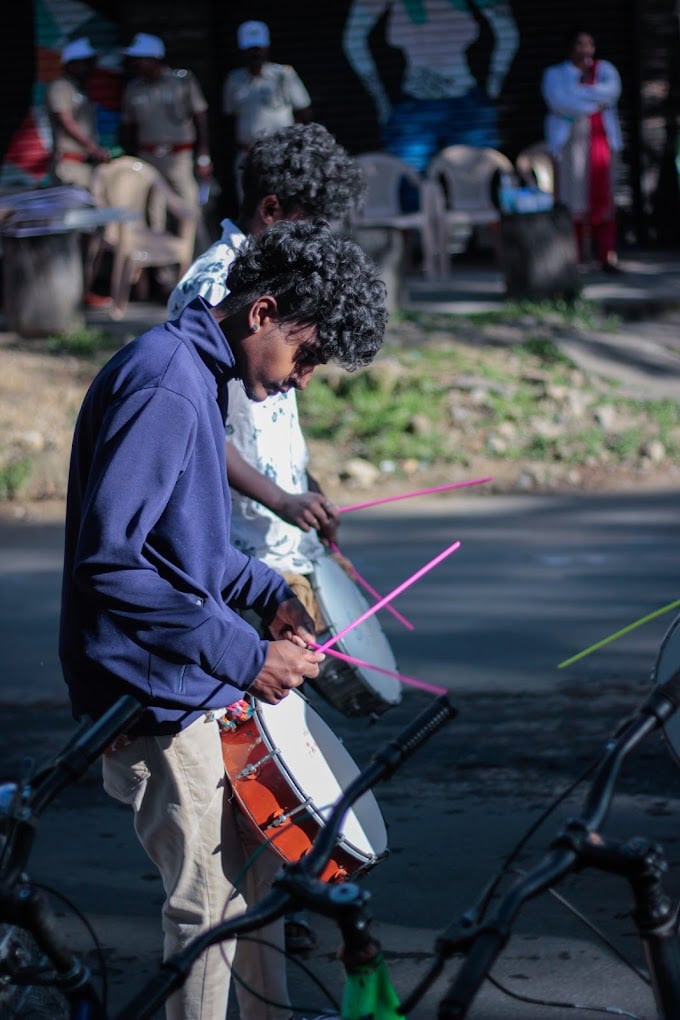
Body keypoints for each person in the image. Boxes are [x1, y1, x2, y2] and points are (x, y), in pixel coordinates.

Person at [59, 216, 386, 1020]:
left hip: (190, 674)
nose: (304, 377)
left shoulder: (199, 375)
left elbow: (186, 547)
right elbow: (112, 563)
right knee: (205, 909)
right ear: (263, 313)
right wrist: (245, 657)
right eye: (306, 354)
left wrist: (264, 588)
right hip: (153, 690)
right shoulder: (167, 381)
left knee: (258, 884)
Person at [167, 120, 367, 953]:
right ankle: (264, 903)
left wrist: (305, 491)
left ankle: (269, 908)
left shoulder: (286, 291)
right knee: (250, 765)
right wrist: (281, 501)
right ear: (275, 210)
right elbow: (200, 436)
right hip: (236, 545)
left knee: (282, 743)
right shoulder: (217, 289)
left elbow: (278, 406)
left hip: (266, 555)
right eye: (312, 226)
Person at [342, 0, 519, 173]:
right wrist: (380, 99)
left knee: (475, 186)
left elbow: (508, 33)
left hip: (462, 108)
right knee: (416, 188)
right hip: (420, 109)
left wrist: (492, 90)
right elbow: (353, 40)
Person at [541, 27, 623, 272]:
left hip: (601, 143)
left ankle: (606, 254)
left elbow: (611, 93)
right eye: (580, 44)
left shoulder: (605, 70)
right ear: (569, 48)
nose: (585, 49)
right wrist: (592, 102)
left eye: (590, 44)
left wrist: (579, 93)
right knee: (573, 199)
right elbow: (559, 102)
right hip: (571, 144)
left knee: (604, 199)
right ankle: (575, 255)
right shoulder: (555, 74)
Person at [119, 32, 213, 241]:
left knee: (190, 207)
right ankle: (163, 269)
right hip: (149, 158)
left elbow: (200, 116)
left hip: (179, 157)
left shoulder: (182, 81)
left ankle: (199, 254)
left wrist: (204, 154)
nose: (137, 64)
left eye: (141, 59)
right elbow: (128, 126)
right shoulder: (133, 89)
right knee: (155, 212)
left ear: (155, 59)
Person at [44, 37, 113, 308]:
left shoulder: (81, 90)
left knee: (90, 232)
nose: (90, 68)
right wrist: (91, 147)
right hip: (69, 169)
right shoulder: (60, 87)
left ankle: (84, 289)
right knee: (73, 231)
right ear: (72, 64)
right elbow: (65, 120)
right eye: (85, 63)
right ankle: (70, 294)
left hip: (85, 169)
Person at [222, 21, 312, 199]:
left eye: (259, 48)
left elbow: (304, 111)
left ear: (266, 48)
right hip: (248, 153)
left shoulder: (283, 75)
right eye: (251, 49)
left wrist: (293, 144)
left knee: (285, 202)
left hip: (281, 154)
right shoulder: (234, 80)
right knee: (251, 206)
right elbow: (229, 117)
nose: (256, 53)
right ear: (243, 50)